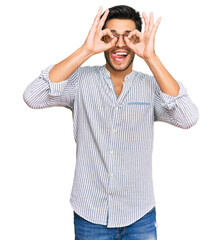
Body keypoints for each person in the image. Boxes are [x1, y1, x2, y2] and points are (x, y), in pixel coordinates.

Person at [23, 5, 199, 240]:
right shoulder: (80, 81)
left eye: (129, 36)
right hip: (90, 214)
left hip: (139, 215)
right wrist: (86, 50)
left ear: (139, 40)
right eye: (112, 35)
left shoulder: (151, 86)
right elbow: (33, 97)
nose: (120, 43)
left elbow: (188, 117)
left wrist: (151, 57)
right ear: (102, 37)